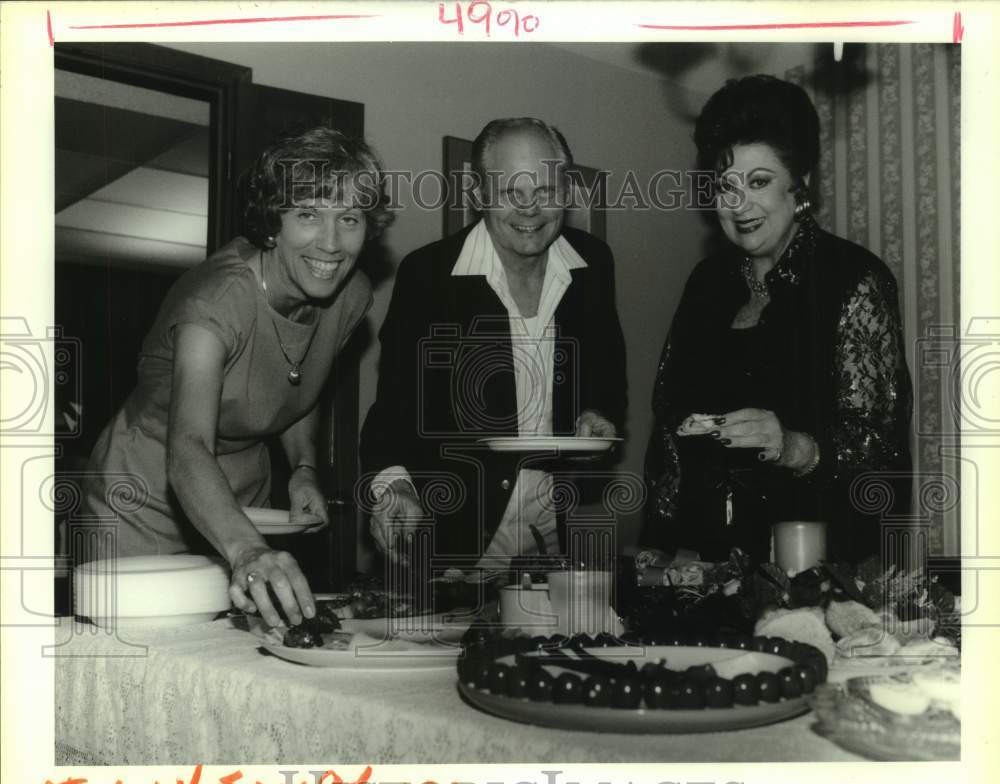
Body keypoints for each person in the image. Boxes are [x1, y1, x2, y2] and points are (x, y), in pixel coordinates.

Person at [84, 126, 393, 627]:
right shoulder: (216, 302)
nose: (332, 244)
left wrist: (303, 469)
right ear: (274, 222)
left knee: (235, 658)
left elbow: (296, 383)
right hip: (145, 492)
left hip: (242, 493)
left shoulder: (350, 295)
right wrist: (248, 551)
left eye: (350, 218)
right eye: (308, 214)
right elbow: (187, 445)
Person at [642, 75, 912, 565]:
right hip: (708, 564)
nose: (738, 203)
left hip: (822, 565)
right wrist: (658, 545)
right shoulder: (706, 282)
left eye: (759, 181)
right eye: (725, 185)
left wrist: (791, 445)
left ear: (798, 183)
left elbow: (879, 449)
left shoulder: (854, 277)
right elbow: (669, 432)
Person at [360, 117, 626, 572]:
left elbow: (607, 374)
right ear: (478, 194)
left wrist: (597, 415)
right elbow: (394, 408)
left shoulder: (593, 264)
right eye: (509, 192)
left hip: (552, 529)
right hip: (453, 532)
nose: (529, 210)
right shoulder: (427, 274)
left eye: (544, 191)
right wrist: (393, 485)